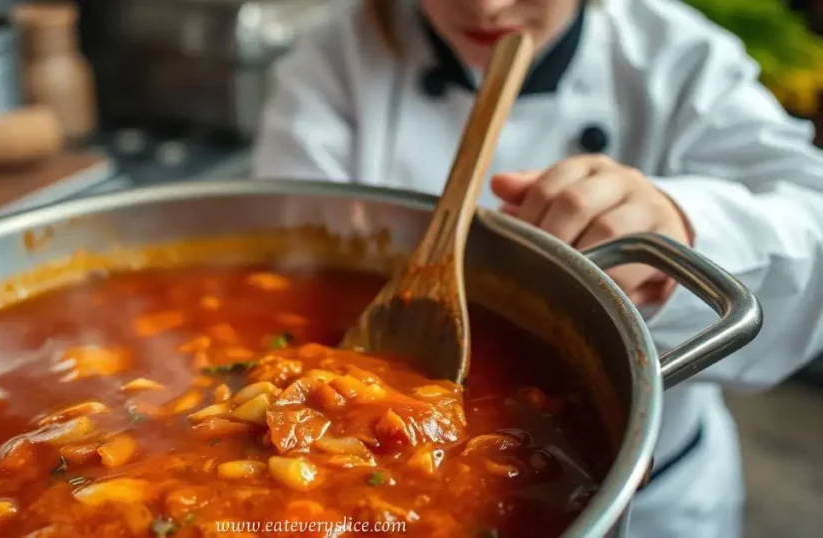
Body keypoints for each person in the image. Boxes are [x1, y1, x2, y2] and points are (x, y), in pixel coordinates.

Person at [251, 0, 823, 536]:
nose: (486, 7)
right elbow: (290, 257)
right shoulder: (334, 59)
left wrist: (685, 227)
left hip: (652, 496)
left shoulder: (680, 60)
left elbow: (811, 228)